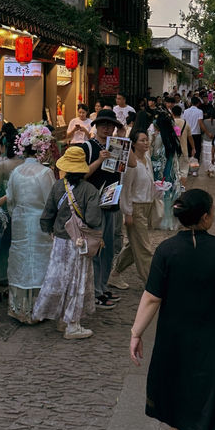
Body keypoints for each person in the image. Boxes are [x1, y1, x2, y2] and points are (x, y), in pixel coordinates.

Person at [129, 189, 215, 430]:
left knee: (172, 381)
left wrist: (136, 333)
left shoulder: (166, 250)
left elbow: (151, 298)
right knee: (211, 386)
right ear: (205, 217)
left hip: (175, 332)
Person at [34, 146, 102, 339]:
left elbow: (47, 214)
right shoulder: (90, 190)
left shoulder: (57, 186)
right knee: (77, 280)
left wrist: (50, 231)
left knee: (58, 279)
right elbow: (93, 219)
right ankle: (72, 324)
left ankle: (61, 320)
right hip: (79, 242)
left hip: (60, 241)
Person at [81, 108, 136, 309]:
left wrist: (123, 140)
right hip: (93, 205)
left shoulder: (117, 145)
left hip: (112, 202)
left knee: (109, 248)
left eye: (110, 125)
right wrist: (100, 160)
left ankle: (102, 287)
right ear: (96, 126)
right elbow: (81, 175)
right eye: (103, 124)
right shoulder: (88, 146)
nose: (107, 128)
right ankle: (95, 292)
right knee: (96, 249)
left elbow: (132, 164)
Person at [6, 123, 55, 323]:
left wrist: (17, 214)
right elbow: (50, 203)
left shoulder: (16, 172)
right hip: (38, 221)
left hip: (19, 219)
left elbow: (10, 199)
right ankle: (38, 308)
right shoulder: (44, 173)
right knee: (39, 261)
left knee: (20, 261)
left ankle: (20, 308)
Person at [110, 132, 156, 286]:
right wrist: (128, 213)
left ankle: (114, 274)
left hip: (147, 205)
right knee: (144, 248)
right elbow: (126, 189)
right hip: (136, 208)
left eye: (146, 140)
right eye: (142, 140)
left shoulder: (147, 159)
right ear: (134, 144)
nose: (146, 142)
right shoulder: (131, 164)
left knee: (134, 244)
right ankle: (151, 283)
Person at [0, 123, 23, 301]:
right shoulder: (24, 164)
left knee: (0, 247)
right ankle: (12, 279)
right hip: (21, 210)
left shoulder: (1, 166)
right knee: (16, 245)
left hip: (3, 209)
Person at [149, 111, 182, 231]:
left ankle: (163, 221)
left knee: (163, 195)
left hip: (162, 171)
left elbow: (156, 156)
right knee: (170, 194)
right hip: (171, 170)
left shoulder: (159, 138)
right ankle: (171, 222)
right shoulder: (172, 136)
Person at [171, 105, 194, 189]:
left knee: (174, 170)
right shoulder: (185, 123)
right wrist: (193, 148)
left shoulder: (170, 123)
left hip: (173, 150)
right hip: (184, 150)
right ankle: (182, 187)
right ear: (181, 113)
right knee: (184, 171)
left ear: (172, 113)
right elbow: (190, 137)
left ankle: (175, 189)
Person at [182, 96, 203, 172]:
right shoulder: (200, 111)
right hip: (197, 133)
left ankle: (188, 169)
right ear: (198, 103)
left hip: (187, 133)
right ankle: (194, 170)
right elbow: (200, 123)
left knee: (188, 150)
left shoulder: (186, 111)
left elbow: (184, 121)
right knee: (196, 151)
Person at [200, 105, 215, 175]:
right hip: (214, 142)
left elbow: (202, 130)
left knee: (206, 156)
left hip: (206, 140)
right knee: (213, 155)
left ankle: (208, 169)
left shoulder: (204, 121)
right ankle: (212, 169)